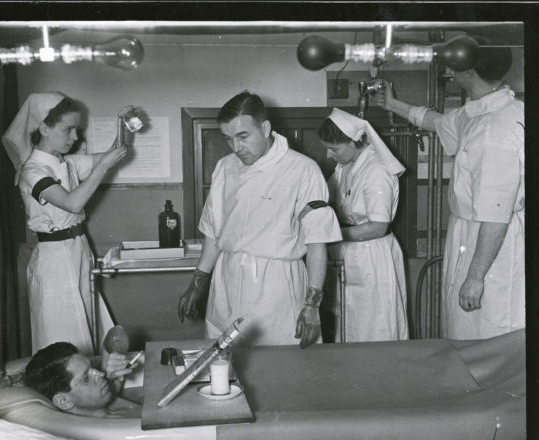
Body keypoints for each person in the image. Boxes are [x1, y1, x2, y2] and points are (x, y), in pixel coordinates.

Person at [374, 44, 524, 340]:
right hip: (472, 231)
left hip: (491, 238)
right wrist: (393, 104)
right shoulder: (486, 109)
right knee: (466, 327)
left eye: (453, 67)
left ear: (468, 72)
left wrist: (476, 277)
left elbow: (495, 214)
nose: (449, 73)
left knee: (487, 329)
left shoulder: (495, 130)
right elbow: (438, 122)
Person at [178, 91, 342, 348]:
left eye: (243, 137)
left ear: (265, 128)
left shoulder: (302, 169)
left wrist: (312, 304)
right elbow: (213, 231)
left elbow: (317, 242)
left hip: (277, 286)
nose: (236, 147)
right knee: (225, 364)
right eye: (229, 139)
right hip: (227, 280)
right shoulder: (225, 167)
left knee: (280, 367)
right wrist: (199, 281)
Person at [3, 92, 128, 355]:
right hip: (54, 260)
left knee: (90, 327)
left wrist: (122, 124)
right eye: (69, 129)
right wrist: (102, 166)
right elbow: (72, 203)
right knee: (62, 336)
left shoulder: (66, 163)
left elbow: (112, 154)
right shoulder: (33, 171)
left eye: (77, 130)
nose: (75, 138)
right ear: (44, 128)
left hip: (78, 249)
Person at [318, 108, 409, 342]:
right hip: (351, 250)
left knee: (372, 327)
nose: (329, 155)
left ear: (354, 142)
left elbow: (377, 227)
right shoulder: (345, 166)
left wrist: (330, 234)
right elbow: (323, 195)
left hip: (373, 255)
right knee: (349, 327)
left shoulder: (376, 171)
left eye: (334, 148)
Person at [23, 341, 139, 417]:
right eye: (86, 378)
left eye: (92, 367)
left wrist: (113, 386)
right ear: (64, 401)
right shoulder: (104, 433)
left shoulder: (99, 408)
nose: (100, 374)